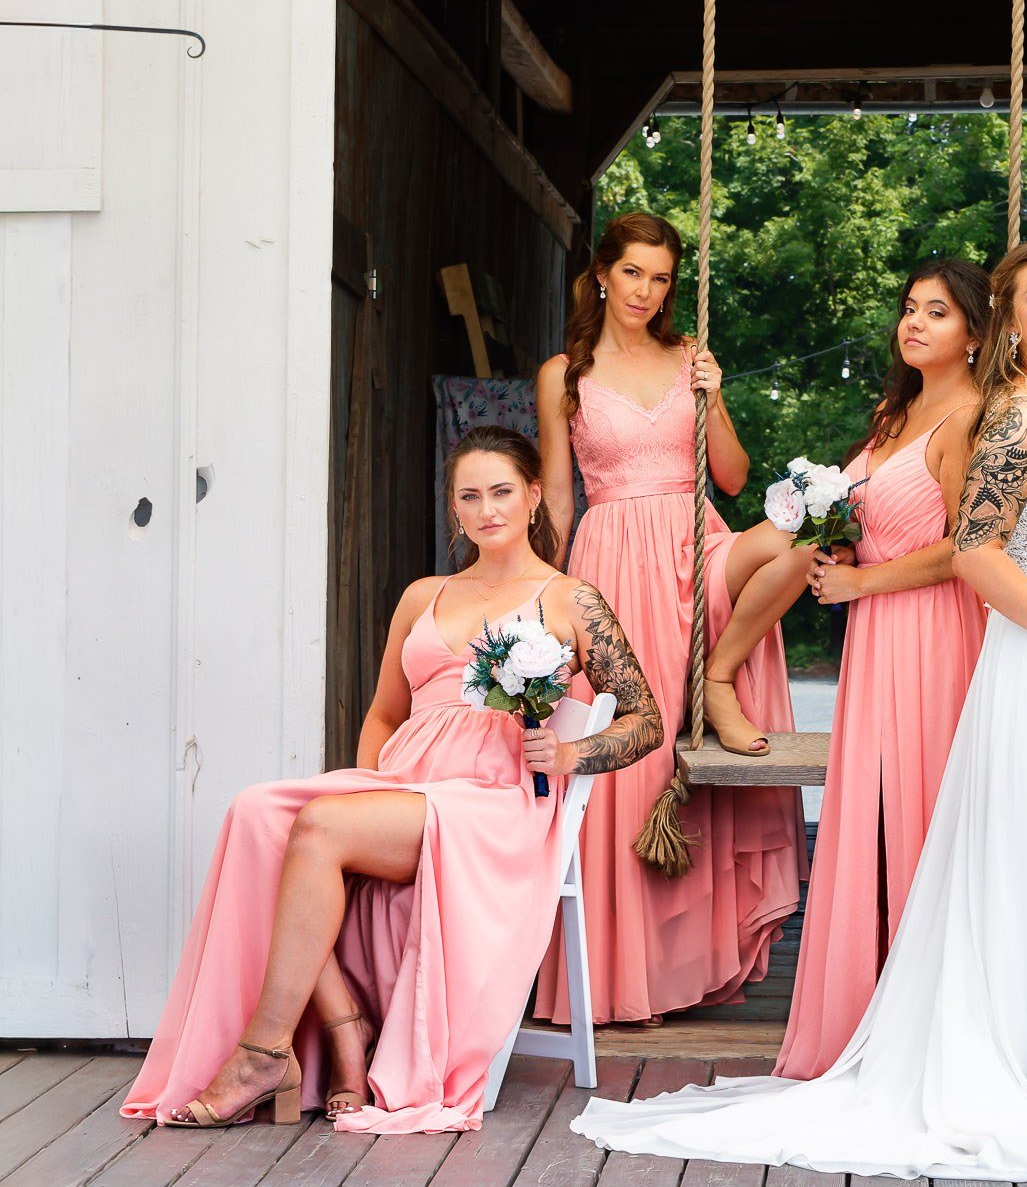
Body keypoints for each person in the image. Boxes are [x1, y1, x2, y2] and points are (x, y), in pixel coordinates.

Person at [570, 240, 1027, 1180]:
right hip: (1017, 649)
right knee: (981, 843)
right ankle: (967, 1033)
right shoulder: (996, 415)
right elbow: (979, 546)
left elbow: (1012, 543)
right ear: (1008, 320)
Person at [123, 427, 663, 1133]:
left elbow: (646, 721)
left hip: (491, 801)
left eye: (502, 491)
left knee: (319, 827)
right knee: (257, 812)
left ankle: (263, 1054)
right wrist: (372, 792)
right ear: (454, 507)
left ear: (534, 495)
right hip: (405, 785)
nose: (487, 509)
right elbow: (384, 713)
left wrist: (568, 755)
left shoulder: (571, 599)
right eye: (469, 496)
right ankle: (344, 1027)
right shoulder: (422, 595)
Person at [533, 212, 806, 1026]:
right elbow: (557, 496)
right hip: (612, 562)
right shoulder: (564, 374)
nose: (645, 291)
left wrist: (714, 398)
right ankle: (625, 979)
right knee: (633, 764)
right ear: (601, 275)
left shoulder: (690, 358)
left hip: (696, 548)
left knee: (794, 538)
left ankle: (718, 675)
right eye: (632, 273)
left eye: (660, 278)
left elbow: (733, 477)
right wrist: (547, 600)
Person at [775, 258, 992, 1079]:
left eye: (937, 311)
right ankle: (866, 1010)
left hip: (937, 630)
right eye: (909, 308)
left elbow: (967, 546)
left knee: (924, 811)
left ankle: (932, 1025)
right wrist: (839, 550)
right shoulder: (893, 414)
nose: (915, 323)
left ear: (973, 334)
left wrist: (863, 581)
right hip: (875, 636)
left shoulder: (969, 420)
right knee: (871, 812)